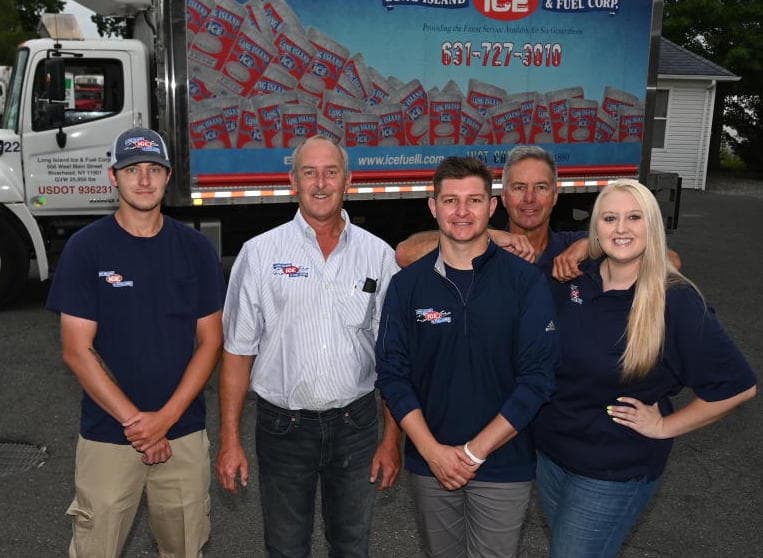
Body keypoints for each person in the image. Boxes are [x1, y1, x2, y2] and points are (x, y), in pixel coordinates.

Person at [532, 179, 757, 558]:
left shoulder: (676, 301)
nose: (621, 228)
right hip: (552, 458)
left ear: (652, 226)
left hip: (613, 470)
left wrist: (665, 426)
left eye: (634, 217)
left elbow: (737, 385)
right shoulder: (573, 282)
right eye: (610, 218)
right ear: (595, 230)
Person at [217, 135, 402, 557]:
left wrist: (392, 440)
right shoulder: (260, 254)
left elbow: (393, 359)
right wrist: (229, 439)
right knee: (285, 548)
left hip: (357, 429)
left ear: (348, 181)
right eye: (309, 172)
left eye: (331, 172)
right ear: (293, 182)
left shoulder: (378, 256)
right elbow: (237, 353)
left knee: (352, 546)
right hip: (283, 430)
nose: (321, 183)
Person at [46, 127, 226, 557]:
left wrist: (165, 419)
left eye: (153, 169)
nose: (143, 180)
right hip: (109, 436)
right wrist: (141, 426)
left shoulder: (196, 249)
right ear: (113, 177)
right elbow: (76, 349)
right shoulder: (86, 248)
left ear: (167, 177)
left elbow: (210, 341)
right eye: (132, 170)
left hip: (182, 433)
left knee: (184, 549)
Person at [375, 156, 558, 557]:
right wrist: (432, 450)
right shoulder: (407, 286)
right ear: (433, 206)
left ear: (492, 209)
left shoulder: (525, 282)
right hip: (431, 464)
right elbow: (392, 374)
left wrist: (474, 452)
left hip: (503, 464)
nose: (462, 212)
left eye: (474, 200)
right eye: (451, 200)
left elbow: (537, 379)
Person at [395, 146, 681, 276]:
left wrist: (593, 245)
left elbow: (671, 262)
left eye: (541, 187)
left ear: (555, 196)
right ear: (503, 198)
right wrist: (489, 236)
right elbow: (407, 253)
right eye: (519, 188)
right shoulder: (478, 248)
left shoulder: (575, 251)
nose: (530, 199)